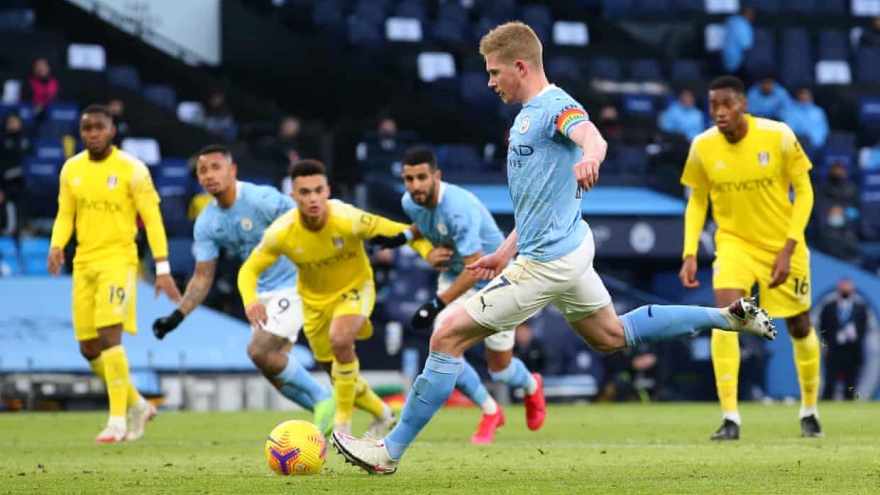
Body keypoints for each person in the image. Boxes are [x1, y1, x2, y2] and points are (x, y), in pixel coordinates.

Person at [330, 22, 776, 475]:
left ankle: (387, 453)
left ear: (520, 67)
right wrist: (505, 251)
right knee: (611, 336)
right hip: (567, 247)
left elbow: (592, 137)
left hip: (547, 264)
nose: (489, 81)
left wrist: (591, 158)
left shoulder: (554, 108)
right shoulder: (529, 113)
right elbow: (538, 200)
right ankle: (726, 317)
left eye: (494, 71)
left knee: (446, 335)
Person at [238, 159, 435, 435]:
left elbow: (399, 232)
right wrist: (251, 300)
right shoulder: (281, 232)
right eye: (305, 192)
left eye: (318, 190)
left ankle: (342, 426)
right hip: (315, 304)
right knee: (338, 374)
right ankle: (382, 413)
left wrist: (430, 253)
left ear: (327, 190)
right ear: (293, 196)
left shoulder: (347, 218)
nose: (313, 198)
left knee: (341, 339)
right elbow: (249, 270)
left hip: (355, 289)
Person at [151, 144, 336, 434]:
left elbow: (310, 216)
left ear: (232, 170)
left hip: (297, 281)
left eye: (216, 168)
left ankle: (324, 398)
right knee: (270, 366)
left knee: (259, 349)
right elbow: (202, 277)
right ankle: (340, 411)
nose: (210, 175)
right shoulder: (207, 223)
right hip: (262, 292)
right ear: (198, 178)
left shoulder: (261, 199)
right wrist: (176, 317)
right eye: (203, 170)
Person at [678, 75, 822, 440]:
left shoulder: (778, 136)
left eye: (727, 104)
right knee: (728, 318)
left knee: (799, 326)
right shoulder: (702, 147)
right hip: (734, 243)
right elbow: (697, 200)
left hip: (781, 244)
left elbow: (805, 192)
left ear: (743, 104)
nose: (720, 112)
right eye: (714, 106)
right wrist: (690, 251)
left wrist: (789, 247)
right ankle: (730, 418)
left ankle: (809, 410)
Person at [372, 146, 546, 444]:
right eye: (409, 179)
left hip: (494, 281)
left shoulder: (457, 209)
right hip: (455, 277)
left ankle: (531, 385)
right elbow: (423, 224)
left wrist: (436, 303)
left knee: (500, 369)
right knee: (443, 346)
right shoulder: (409, 201)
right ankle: (491, 410)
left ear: (436, 176)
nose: (415, 185)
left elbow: (474, 269)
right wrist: (401, 238)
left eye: (421, 178)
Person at [47, 104, 183, 442]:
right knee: (89, 348)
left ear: (112, 130)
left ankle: (117, 420)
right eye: (86, 128)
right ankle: (139, 404)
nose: (92, 133)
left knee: (110, 337)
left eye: (99, 127)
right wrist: (56, 245)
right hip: (83, 263)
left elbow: (152, 219)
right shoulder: (71, 170)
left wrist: (163, 268)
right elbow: (66, 214)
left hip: (118, 261)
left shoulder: (132, 170)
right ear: (80, 132)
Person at [815, 279, 870, 401]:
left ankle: (849, 407)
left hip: (852, 351)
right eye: (843, 289)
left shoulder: (860, 309)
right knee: (830, 382)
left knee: (851, 383)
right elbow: (822, 327)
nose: (845, 291)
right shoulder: (829, 308)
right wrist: (831, 338)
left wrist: (855, 335)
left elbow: (865, 327)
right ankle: (826, 405)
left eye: (848, 289)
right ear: (838, 290)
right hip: (834, 351)